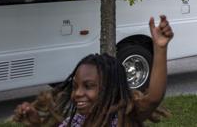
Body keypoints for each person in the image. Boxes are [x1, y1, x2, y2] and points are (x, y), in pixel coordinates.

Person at [13, 16, 174, 127]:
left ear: (110, 89)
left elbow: (153, 98)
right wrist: (35, 123)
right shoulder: (75, 122)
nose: (77, 93)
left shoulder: (122, 119)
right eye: (75, 86)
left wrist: (160, 48)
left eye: (88, 86)